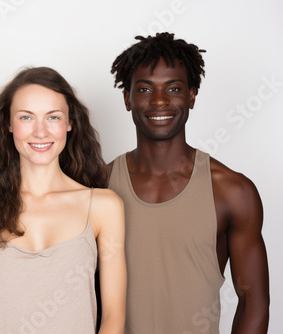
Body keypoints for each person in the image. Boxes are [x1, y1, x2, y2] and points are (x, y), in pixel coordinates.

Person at [107, 32, 270, 333]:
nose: (159, 101)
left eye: (173, 88)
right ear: (127, 98)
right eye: (145, 89)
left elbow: (253, 300)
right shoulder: (97, 187)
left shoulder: (232, 191)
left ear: (191, 95)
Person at [0, 66, 126, 333]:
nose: (40, 132)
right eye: (26, 117)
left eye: (53, 117)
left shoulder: (104, 206)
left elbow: (113, 316)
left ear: (69, 123)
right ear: (8, 124)